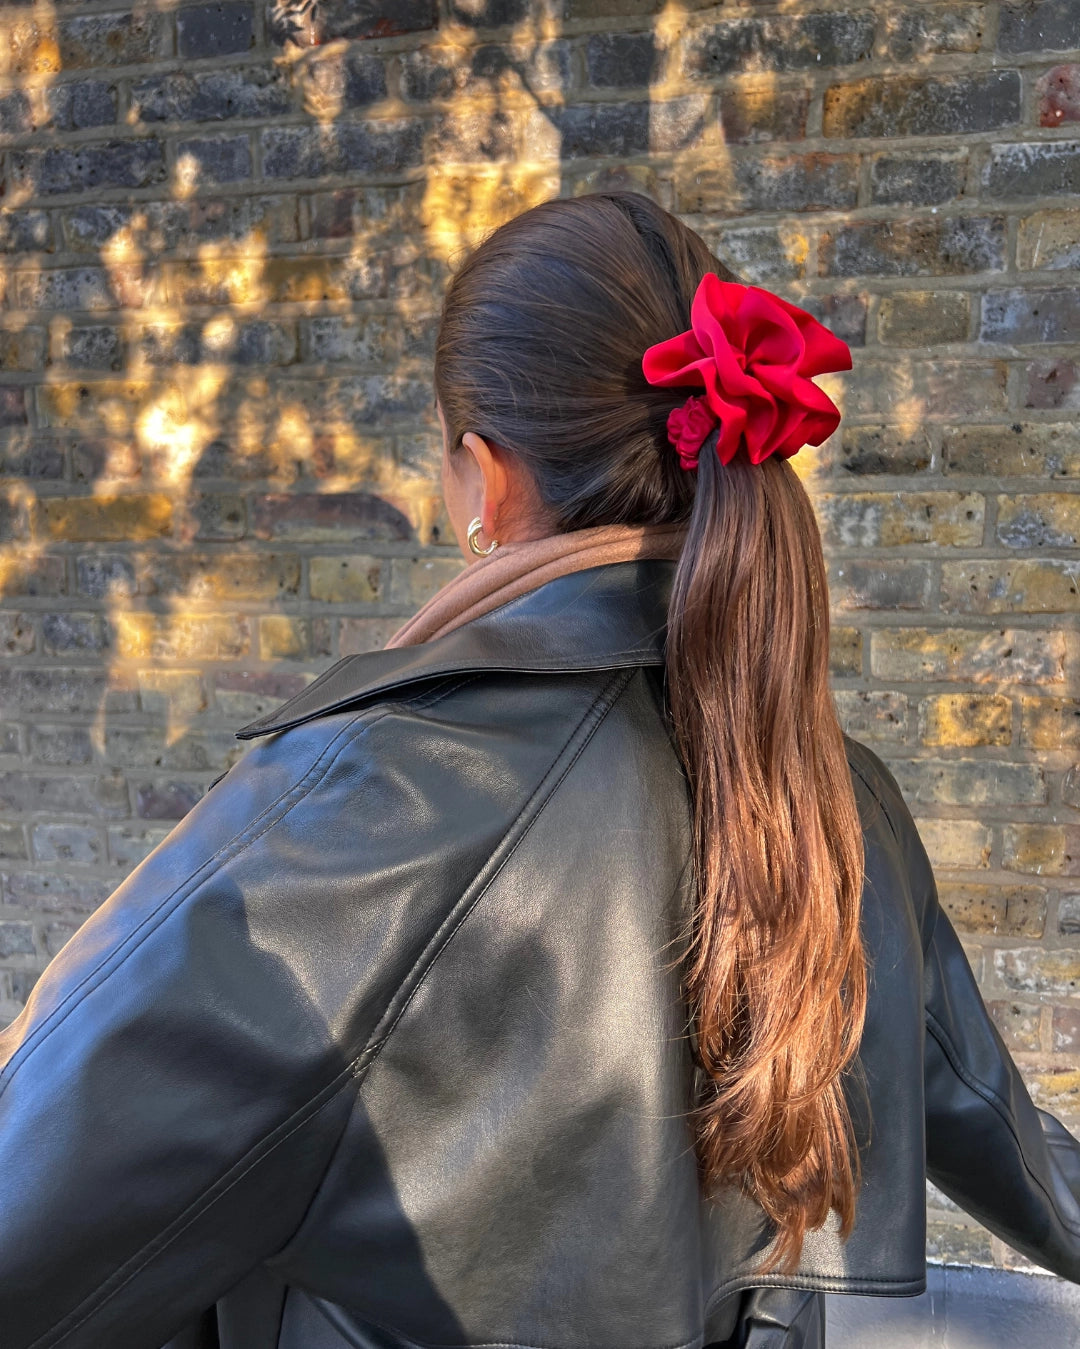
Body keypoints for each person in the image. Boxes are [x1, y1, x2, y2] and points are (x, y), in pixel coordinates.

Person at [2, 192, 1079, 1349]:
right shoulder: (832, 791)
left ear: (485, 477)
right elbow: (997, 1125)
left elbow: (36, 1217)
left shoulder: (364, 806)